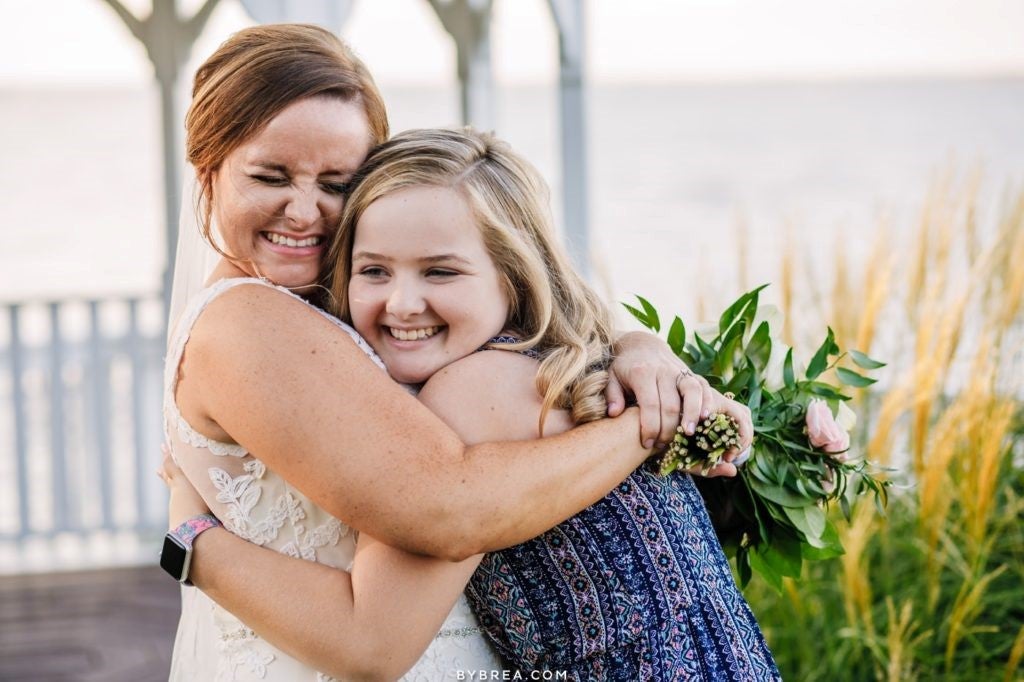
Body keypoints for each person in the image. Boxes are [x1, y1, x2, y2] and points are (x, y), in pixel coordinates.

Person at [162, 24, 752, 681]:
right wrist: (648, 425)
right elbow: (448, 508)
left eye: (338, 183)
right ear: (208, 168)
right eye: (271, 176)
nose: (305, 211)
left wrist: (636, 349)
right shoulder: (249, 319)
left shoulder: (322, 302)